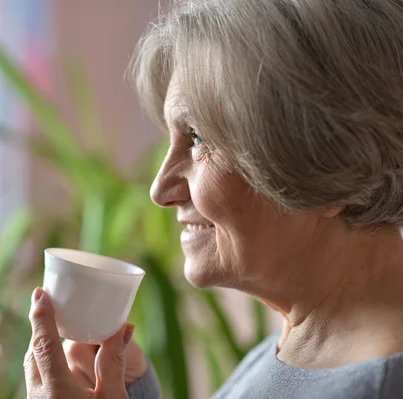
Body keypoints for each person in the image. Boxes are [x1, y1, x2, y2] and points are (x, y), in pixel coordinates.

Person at [23, 0, 403, 397]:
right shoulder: (312, 344)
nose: (160, 189)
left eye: (199, 138)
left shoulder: (376, 386)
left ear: (334, 161)